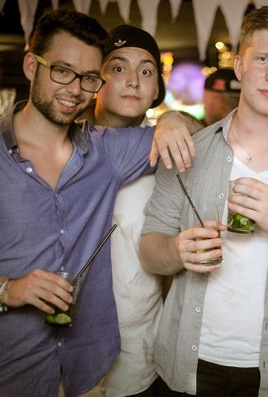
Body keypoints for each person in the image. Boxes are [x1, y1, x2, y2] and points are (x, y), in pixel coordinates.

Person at [0, 10, 194, 397]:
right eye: (62, 71)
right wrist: (4, 289)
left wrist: (173, 121)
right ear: (31, 66)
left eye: (88, 77)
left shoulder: (106, 152)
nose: (74, 89)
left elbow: (203, 137)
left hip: (86, 378)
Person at [139, 3, 268, 396]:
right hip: (186, 363)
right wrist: (176, 250)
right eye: (262, 59)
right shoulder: (189, 152)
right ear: (239, 66)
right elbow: (150, 251)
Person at [78, 24, 203, 397]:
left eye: (146, 71)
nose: (133, 81)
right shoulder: (64, 144)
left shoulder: (170, 154)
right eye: (118, 68)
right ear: (94, 80)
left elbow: (208, 137)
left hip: (139, 347)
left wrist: (173, 119)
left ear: (156, 90)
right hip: (65, 341)